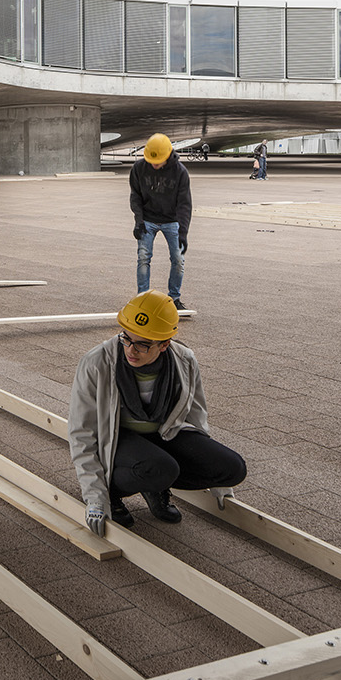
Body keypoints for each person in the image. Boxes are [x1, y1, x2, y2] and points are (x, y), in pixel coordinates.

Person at [68, 291, 247, 535]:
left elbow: (195, 419)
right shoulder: (96, 363)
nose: (131, 350)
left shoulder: (184, 361)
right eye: (126, 339)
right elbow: (81, 434)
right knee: (162, 468)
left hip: (163, 433)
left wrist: (219, 484)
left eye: (143, 344)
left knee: (233, 468)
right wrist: (95, 497)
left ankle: (155, 481)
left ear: (165, 344)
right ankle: (114, 492)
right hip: (119, 438)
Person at [129, 133, 191, 310]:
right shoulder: (139, 168)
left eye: (158, 161)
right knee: (143, 258)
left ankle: (174, 299)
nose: (154, 165)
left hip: (172, 220)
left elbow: (184, 204)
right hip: (147, 219)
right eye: (151, 161)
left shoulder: (180, 172)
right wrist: (138, 221)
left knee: (178, 259)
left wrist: (183, 233)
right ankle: (142, 298)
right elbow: (136, 196)